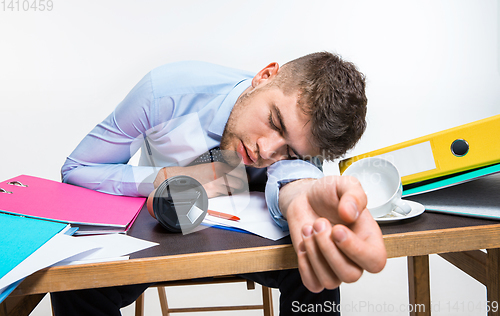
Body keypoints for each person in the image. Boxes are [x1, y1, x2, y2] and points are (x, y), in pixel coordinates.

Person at [52, 52, 387, 315]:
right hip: (160, 229)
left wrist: (300, 192)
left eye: (289, 150)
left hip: (244, 237)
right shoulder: (166, 91)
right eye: (274, 122)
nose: (265, 151)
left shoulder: (306, 137)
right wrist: (162, 178)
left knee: (314, 265)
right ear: (265, 76)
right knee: (74, 281)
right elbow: (79, 167)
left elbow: (295, 180)